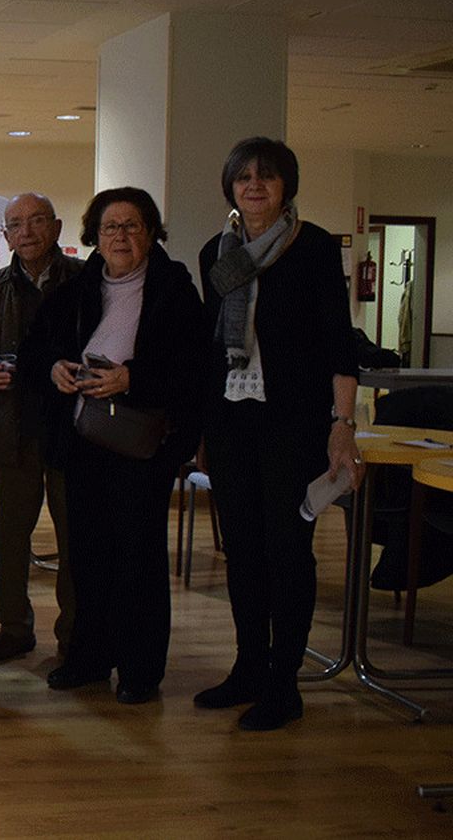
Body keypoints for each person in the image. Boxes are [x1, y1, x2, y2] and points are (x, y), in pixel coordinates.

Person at [194, 137, 360, 731]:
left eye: (267, 176)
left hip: (294, 420)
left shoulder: (311, 246)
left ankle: (283, 683)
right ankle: (247, 668)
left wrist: (342, 425)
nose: (254, 185)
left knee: (287, 552)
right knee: (241, 550)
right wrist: (203, 427)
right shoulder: (217, 249)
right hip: (234, 418)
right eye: (243, 177)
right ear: (230, 187)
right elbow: (214, 341)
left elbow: (339, 339)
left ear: (286, 186)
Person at [21, 186, 207, 705]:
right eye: (110, 227)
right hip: (83, 440)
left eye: (132, 226)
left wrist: (131, 378)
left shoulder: (173, 289)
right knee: (86, 556)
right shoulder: (78, 289)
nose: (121, 236)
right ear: (94, 236)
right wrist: (54, 367)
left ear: (150, 232)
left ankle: (141, 670)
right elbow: (35, 350)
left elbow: (192, 369)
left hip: (140, 446)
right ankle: (88, 658)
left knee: (138, 560)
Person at [0, 192, 81, 662]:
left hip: (74, 431)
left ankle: (75, 633)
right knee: (11, 537)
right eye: (16, 224)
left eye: (36, 221)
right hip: (13, 431)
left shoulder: (88, 282)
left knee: (76, 539)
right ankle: (13, 628)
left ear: (56, 227)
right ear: (5, 235)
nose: (26, 231)